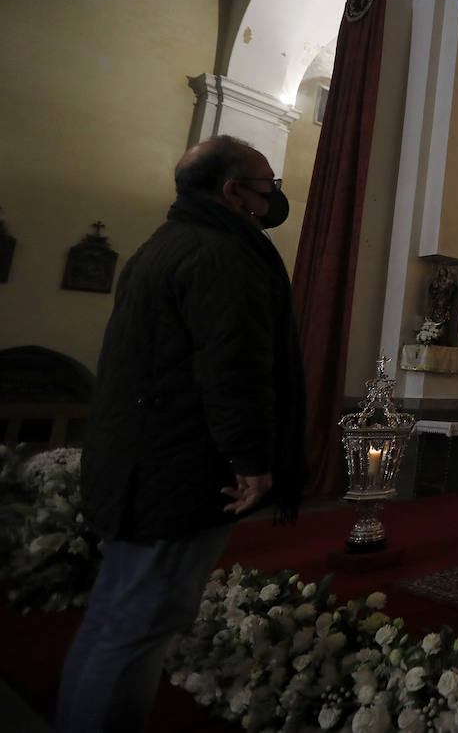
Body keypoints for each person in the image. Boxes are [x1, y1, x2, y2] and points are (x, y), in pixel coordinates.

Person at [57, 134, 307, 732]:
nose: (273, 195)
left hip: (143, 460)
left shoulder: (164, 245)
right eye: (267, 184)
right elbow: (232, 363)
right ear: (232, 190)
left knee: (119, 619)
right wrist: (251, 457)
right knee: (137, 624)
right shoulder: (221, 254)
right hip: (173, 468)